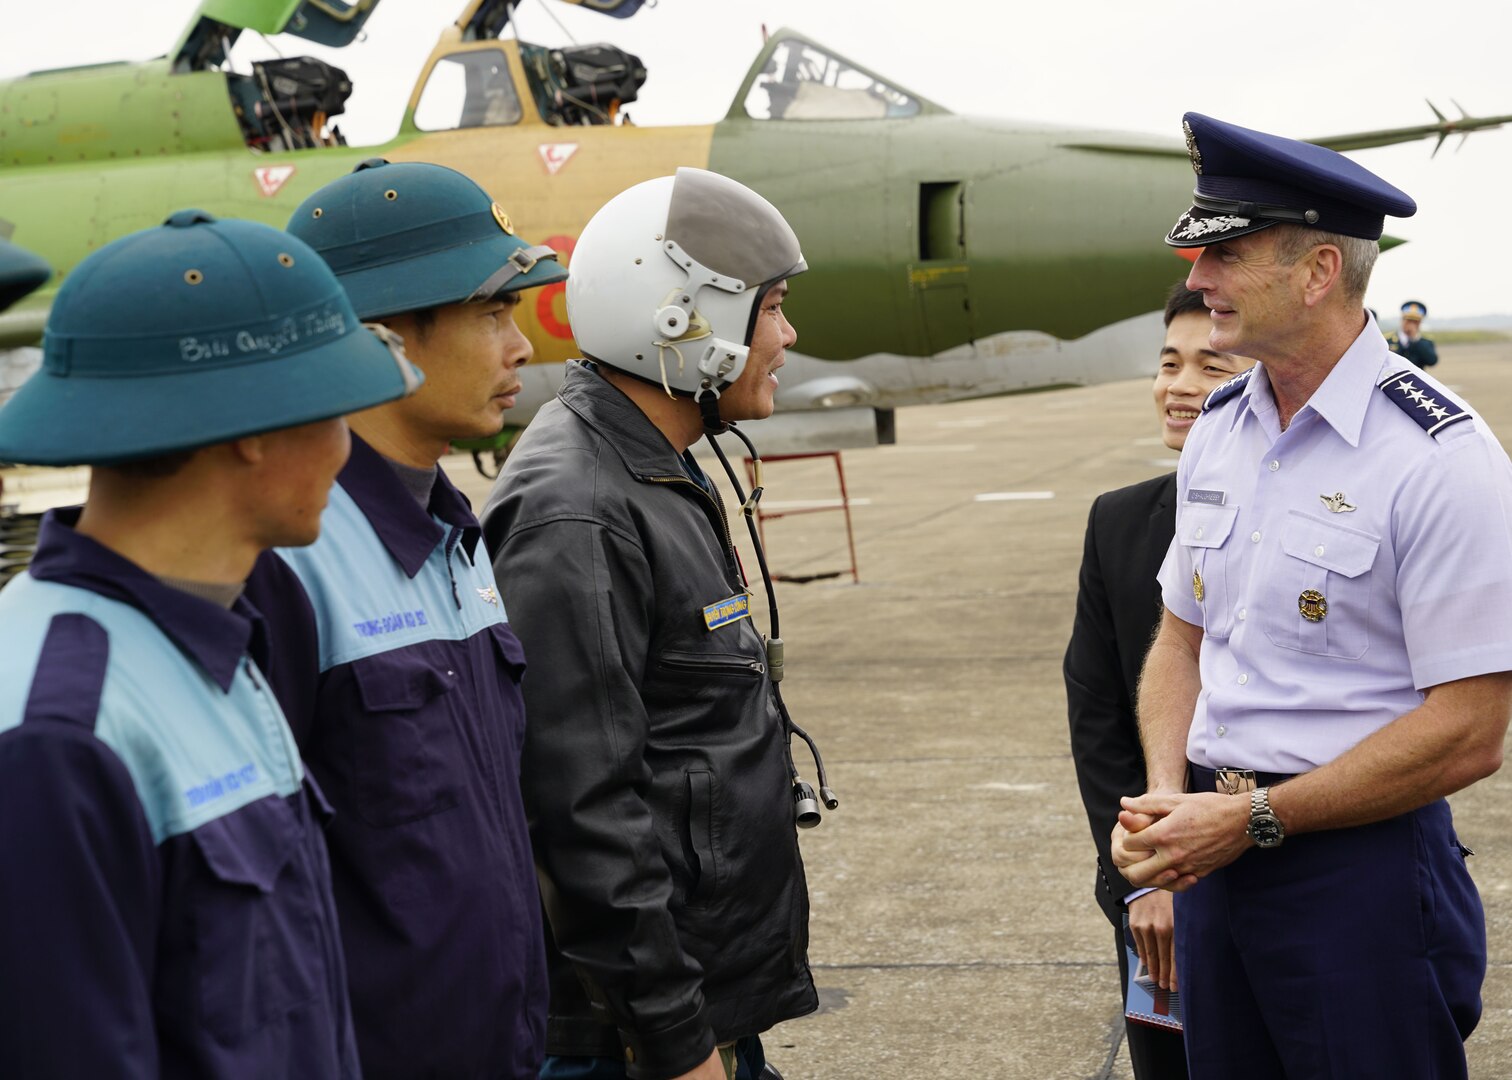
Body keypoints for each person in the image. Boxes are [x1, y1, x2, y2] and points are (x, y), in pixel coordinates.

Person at [1112, 112, 1512, 1080]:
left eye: (1225, 252)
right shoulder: (1221, 426)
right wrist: (1172, 800)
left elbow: (1471, 729)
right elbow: (1181, 638)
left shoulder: (1440, 459)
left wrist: (1253, 820)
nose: (1197, 277)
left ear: (1319, 271)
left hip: (1358, 876)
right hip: (1212, 858)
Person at [0, 209, 420, 1075]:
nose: (349, 448)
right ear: (252, 427)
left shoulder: (213, 646)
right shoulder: (59, 733)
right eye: (337, 406)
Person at [480, 168, 818, 1080]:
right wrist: (674, 1040)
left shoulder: (650, 464)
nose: (786, 337)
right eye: (772, 308)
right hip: (633, 1042)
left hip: (689, 1006)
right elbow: (581, 809)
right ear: (682, 321)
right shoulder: (578, 509)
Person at [241, 159, 567, 1079]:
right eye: (494, 314)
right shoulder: (290, 563)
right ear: (385, 337)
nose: (521, 350)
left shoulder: (457, 537)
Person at [1065, 283, 1253, 1080]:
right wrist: (1143, 881)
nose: (1176, 387)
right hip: (1155, 887)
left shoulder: (1314, 510)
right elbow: (1098, 716)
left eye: (1208, 366)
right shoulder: (1120, 521)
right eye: (1168, 363)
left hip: (1288, 860)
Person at [1387, 299, 1439, 367]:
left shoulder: (1425, 342)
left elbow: (1432, 361)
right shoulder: (1387, 340)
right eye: (1409, 320)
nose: (1411, 325)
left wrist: (1415, 340)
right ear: (1402, 320)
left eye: (1415, 322)